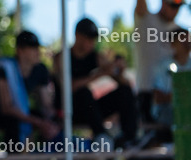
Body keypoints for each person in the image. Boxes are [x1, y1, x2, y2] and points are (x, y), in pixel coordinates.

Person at [55, 17, 139, 147]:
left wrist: (119, 71)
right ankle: (101, 136)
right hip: (69, 112)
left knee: (125, 91)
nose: (92, 42)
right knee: (84, 93)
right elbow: (69, 87)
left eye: (93, 39)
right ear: (77, 36)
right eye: (88, 38)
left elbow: (125, 84)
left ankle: (129, 138)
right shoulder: (62, 57)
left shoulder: (96, 56)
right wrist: (101, 74)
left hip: (92, 112)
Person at [0, 31, 60, 143]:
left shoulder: (40, 70)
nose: (37, 51)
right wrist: (38, 122)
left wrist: (49, 121)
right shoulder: (5, 69)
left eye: (37, 47)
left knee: (49, 121)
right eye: (32, 48)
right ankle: (19, 153)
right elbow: (6, 108)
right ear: (20, 51)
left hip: (18, 112)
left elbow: (46, 104)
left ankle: (51, 150)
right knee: (14, 122)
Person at [135, 0, 187, 122]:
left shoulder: (180, 31)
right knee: (151, 132)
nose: (175, 10)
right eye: (172, 6)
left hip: (172, 94)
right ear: (163, 3)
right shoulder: (146, 19)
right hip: (147, 90)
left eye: (178, 7)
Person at [151, 28, 191, 129]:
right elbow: (159, 97)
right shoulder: (163, 66)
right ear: (173, 43)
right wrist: (182, 96)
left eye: (189, 38)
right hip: (169, 112)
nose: (187, 42)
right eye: (182, 39)